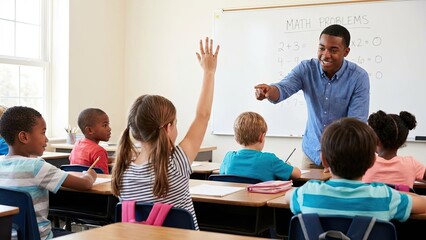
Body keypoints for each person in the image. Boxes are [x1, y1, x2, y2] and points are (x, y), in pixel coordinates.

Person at [111, 37, 219, 230]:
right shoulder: (176, 163)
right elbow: (203, 115)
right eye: (176, 123)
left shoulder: (122, 171)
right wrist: (209, 72)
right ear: (168, 128)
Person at [254, 24, 369, 171]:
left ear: (346, 52)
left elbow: (356, 125)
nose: (325, 55)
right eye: (322, 48)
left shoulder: (359, 77)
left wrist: (336, 156)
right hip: (312, 154)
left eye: (333, 50)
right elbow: (283, 88)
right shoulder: (306, 68)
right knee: (308, 193)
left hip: (344, 157)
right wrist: (269, 91)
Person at [284, 117, 426, 222]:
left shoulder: (307, 193)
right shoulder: (385, 197)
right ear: (372, 161)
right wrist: (410, 195)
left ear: (324, 161)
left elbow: (287, 196)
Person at [0, 106, 97, 240]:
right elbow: (84, 184)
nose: (46, 139)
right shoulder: (36, 166)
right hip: (40, 237)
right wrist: (90, 175)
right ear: (24, 137)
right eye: (43, 132)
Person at [220, 111, 301, 181]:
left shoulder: (228, 157)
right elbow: (297, 174)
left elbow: (222, 176)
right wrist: (287, 166)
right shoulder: (269, 159)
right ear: (261, 137)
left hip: (234, 199)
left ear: (236, 138)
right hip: (262, 199)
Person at [362, 110, 426, 188]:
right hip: (401, 200)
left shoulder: (364, 163)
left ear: (376, 139)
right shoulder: (412, 164)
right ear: (402, 141)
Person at [69, 108, 112, 174]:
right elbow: (105, 177)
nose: (109, 129)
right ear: (89, 130)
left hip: (76, 182)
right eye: (105, 125)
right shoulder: (99, 151)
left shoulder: (77, 145)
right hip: (94, 183)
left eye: (108, 125)